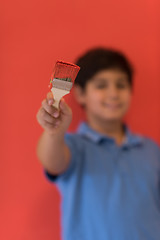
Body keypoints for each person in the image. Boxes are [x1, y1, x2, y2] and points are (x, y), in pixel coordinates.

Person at [36, 47, 160, 240]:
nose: (113, 93)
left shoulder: (151, 149)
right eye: (101, 85)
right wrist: (55, 132)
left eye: (121, 85)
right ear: (80, 94)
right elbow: (52, 161)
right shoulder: (73, 146)